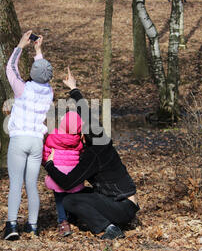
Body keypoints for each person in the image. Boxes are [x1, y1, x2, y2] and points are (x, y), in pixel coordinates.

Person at [43, 68, 140, 240]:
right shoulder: (102, 139)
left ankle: (109, 228)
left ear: (81, 136)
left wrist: (49, 164)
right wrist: (73, 88)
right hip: (124, 202)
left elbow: (66, 182)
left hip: (122, 207)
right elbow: (87, 115)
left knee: (69, 200)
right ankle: (87, 219)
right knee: (77, 194)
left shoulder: (91, 155)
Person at [3, 31, 54, 240]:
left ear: (32, 73)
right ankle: (33, 226)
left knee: (16, 183)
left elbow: (10, 69)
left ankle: (12, 226)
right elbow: (43, 73)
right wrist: (38, 51)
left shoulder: (22, 89)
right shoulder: (49, 92)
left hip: (19, 140)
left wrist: (20, 46)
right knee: (31, 185)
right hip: (36, 142)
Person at [43, 111, 85, 237]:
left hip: (57, 173)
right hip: (73, 174)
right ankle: (73, 217)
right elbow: (82, 155)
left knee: (59, 199)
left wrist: (46, 164)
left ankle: (63, 222)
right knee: (74, 197)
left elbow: (46, 153)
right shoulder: (78, 141)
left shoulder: (52, 137)